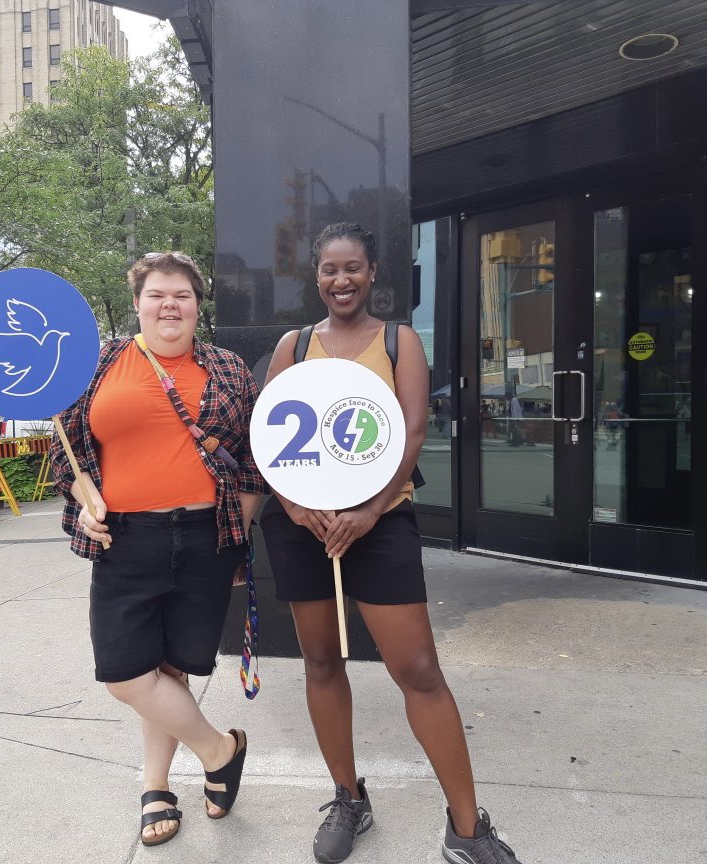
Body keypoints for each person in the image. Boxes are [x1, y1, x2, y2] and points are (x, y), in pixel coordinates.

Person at [260, 224, 523, 864]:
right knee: (322, 662)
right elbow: (268, 439)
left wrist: (370, 511)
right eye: (328, 269)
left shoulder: (401, 341)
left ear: (374, 272)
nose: (340, 280)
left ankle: (467, 828)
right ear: (315, 277)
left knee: (419, 672)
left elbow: (409, 432)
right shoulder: (292, 348)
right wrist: (298, 509)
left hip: (382, 527)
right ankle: (349, 798)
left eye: (353, 268)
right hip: (306, 530)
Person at [49, 252, 264, 847]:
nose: (170, 305)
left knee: (172, 667)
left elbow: (251, 461)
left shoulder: (229, 370)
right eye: (157, 295)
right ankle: (219, 750)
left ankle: (156, 785)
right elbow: (63, 448)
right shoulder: (97, 365)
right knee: (125, 672)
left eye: (183, 295)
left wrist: (237, 537)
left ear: (199, 304)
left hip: (205, 538)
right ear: (138, 302)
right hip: (126, 540)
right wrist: (84, 504)